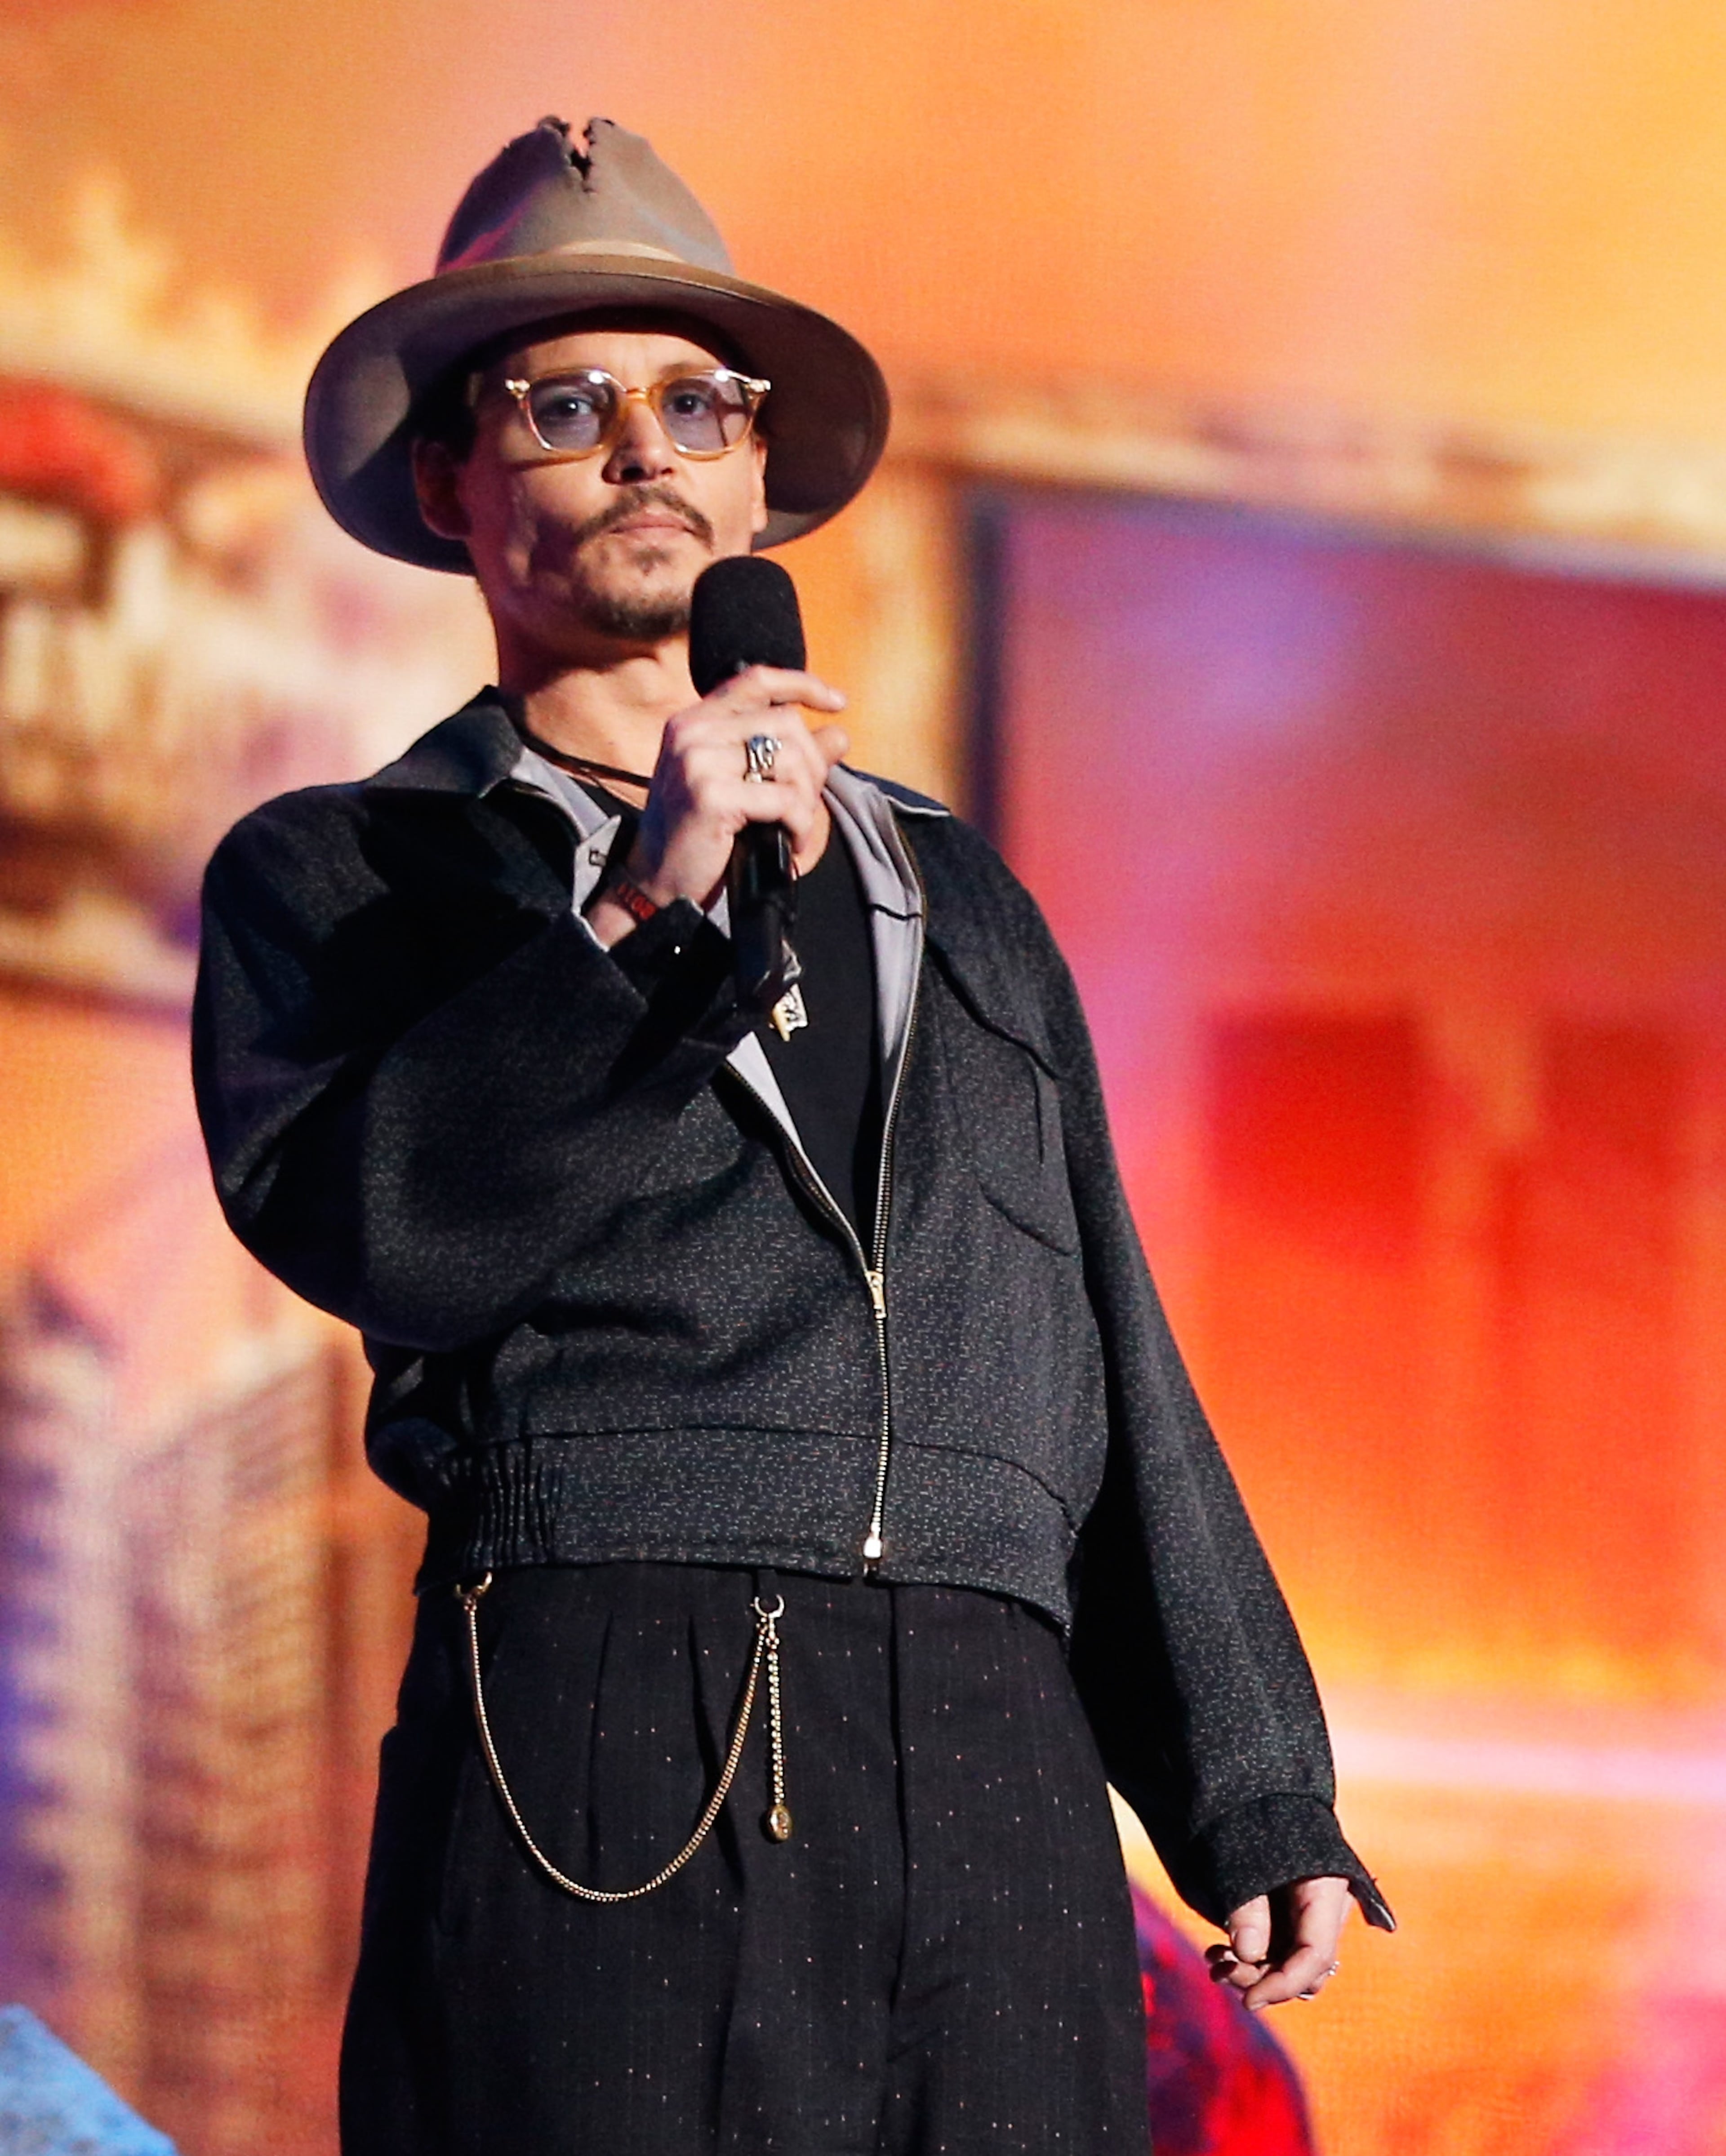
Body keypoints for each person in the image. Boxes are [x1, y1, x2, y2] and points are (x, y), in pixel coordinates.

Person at [192, 115, 1392, 2156]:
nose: (646, 448)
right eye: (565, 406)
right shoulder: (354, 875)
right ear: (450, 486)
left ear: (755, 473)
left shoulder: (964, 897)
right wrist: (640, 910)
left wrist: (1250, 1775)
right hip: (606, 1712)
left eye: (695, 404)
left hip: (1003, 1760)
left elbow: (1103, 1341)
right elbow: (377, 1227)